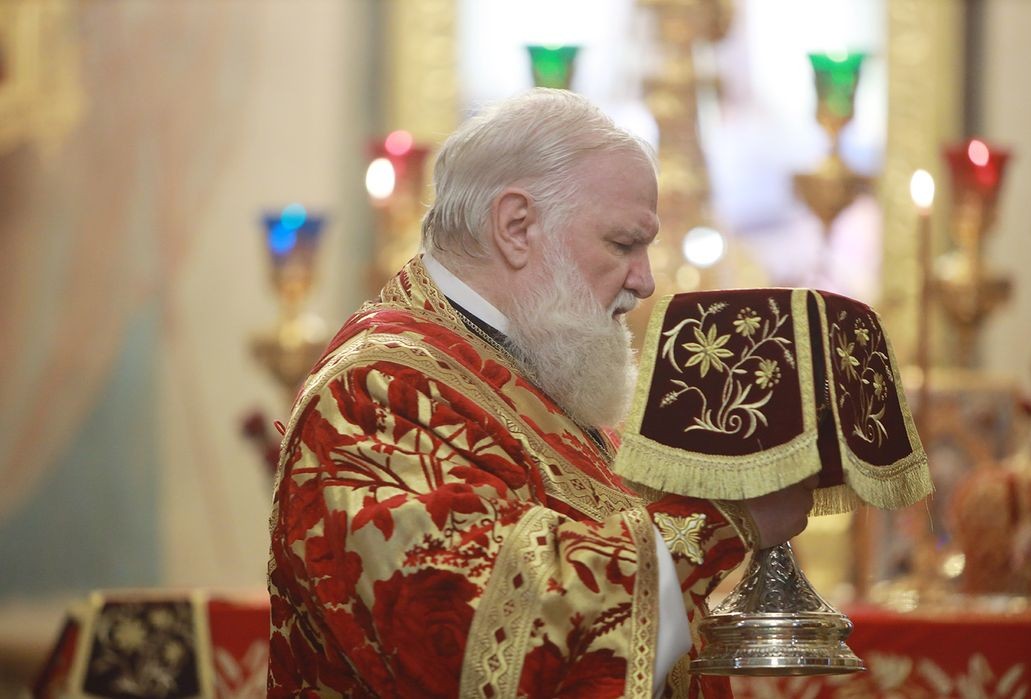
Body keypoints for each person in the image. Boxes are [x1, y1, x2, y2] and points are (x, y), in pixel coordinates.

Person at [267, 88, 816, 698]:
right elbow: (482, 636)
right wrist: (721, 517)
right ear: (516, 227)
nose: (645, 282)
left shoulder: (530, 377)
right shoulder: (376, 394)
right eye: (623, 244)